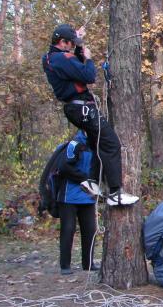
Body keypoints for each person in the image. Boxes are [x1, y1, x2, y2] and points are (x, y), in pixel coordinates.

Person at [42, 23, 138, 206]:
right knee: (111, 144)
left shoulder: (51, 58)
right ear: (62, 42)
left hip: (77, 109)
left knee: (97, 144)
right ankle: (116, 193)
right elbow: (88, 75)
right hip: (82, 108)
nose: (73, 46)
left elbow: (73, 66)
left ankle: (92, 181)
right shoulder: (61, 59)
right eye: (70, 43)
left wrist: (78, 44)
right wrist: (88, 58)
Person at [55, 130, 100, 274]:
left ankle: (88, 264)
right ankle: (65, 266)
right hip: (69, 196)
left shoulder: (96, 146)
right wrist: (84, 178)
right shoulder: (74, 145)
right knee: (68, 230)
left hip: (88, 196)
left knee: (90, 230)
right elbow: (64, 167)